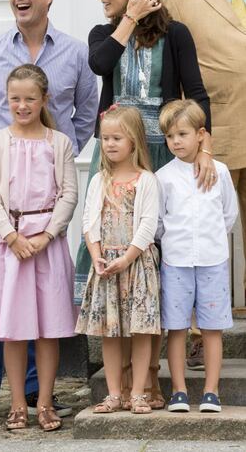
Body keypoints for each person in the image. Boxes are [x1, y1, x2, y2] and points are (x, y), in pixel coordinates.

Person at [73, 0, 214, 411]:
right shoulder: (104, 34)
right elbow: (100, 65)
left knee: (154, 255)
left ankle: (149, 380)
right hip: (117, 152)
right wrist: (128, 20)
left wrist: (203, 149)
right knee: (120, 255)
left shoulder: (175, 34)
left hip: (161, 154)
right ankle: (126, 383)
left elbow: (194, 93)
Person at [0, 0, 98, 424]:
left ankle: (41, 393)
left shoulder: (75, 54)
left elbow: (85, 112)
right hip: (3, 204)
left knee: (45, 298)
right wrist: (7, 160)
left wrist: (53, 154)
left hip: (46, 203)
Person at [0, 64, 78, 431]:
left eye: (30, 98)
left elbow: (68, 194)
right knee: (13, 329)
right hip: (9, 244)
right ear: (7, 99)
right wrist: (11, 236)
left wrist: (46, 235)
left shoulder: (58, 142)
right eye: (15, 98)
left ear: (43, 99)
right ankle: (17, 402)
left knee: (48, 329)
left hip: (46, 243)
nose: (22, 105)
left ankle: (45, 401)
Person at [162, 0, 246, 370]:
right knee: (200, 232)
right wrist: (195, 140)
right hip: (213, 136)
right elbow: (172, 71)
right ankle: (197, 332)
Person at [76, 105, 160, 415]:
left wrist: (126, 258)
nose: (109, 144)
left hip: (136, 264)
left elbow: (148, 225)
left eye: (117, 138)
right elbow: (88, 221)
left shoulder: (146, 180)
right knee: (110, 333)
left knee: (140, 330)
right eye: (105, 138)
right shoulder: (99, 180)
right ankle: (114, 393)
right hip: (106, 266)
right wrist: (97, 257)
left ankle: (138, 392)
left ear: (134, 142)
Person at [156, 99, 238, 412]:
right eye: (170, 136)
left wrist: (209, 240)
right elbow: (160, 223)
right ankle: (178, 390)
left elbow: (227, 214)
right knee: (176, 327)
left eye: (182, 134)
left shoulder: (220, 171)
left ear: (201, 134)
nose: (175, 141)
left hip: (213, 261)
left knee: (212, 328)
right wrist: (178, 243)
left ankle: (211, 392)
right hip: (176, 262)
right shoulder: (164, 177)